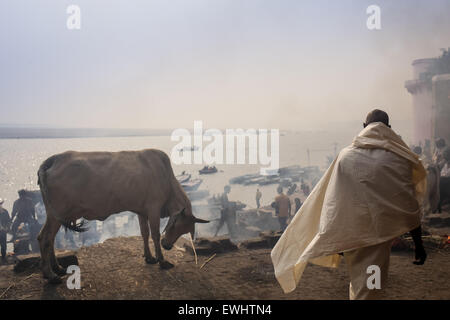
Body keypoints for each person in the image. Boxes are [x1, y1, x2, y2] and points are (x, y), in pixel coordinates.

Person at [271, 109, 427, 300]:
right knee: (370, 288)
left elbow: (334, 202)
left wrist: (339, 239)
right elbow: (409, 207)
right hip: (376, 239)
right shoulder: (400, 159)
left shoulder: (346, 156)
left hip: (351, 234)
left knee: (361, 283)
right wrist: (418, 245)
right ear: (389, 128)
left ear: (363, 127)